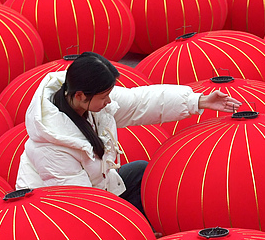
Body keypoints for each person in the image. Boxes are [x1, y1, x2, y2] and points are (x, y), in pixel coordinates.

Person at [16, 52, 241, 214]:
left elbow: (140, 102)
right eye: (104, 97)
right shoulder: (51, 145)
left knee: (142, 172)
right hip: (60, 212)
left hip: (98, 188)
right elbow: (82, 204)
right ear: (80, 96)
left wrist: (199, 100)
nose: (109, 101)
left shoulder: (89, 100)